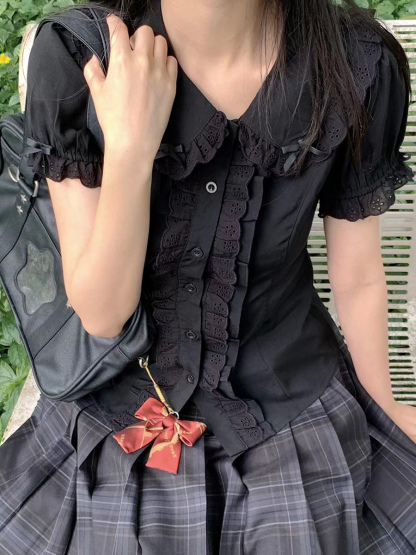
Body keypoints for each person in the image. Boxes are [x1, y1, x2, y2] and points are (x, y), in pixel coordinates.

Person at [1, 0, 416, 553]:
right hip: (115, 420)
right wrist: (130, 147)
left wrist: (383, 407)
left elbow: (358, 275)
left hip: (295, 413)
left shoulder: (355, 63)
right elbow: (102, 314)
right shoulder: (84, 57)